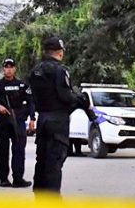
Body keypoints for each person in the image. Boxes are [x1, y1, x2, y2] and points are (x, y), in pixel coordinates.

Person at [29, 37, 94, 195]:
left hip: (43, 119)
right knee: (55, 162)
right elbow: (65, 96)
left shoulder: (36, 71)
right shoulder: (60, 70)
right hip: (57, 121)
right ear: (59, 52)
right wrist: (81, 100)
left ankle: (39, 196)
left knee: (42, 160)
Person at [0, 58, 36, 188]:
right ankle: (3, 179)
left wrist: (32, 119)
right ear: (3, 69)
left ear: (15, 69)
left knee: (19, 150)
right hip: (3, 122)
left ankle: (18, 179)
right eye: (6, 67)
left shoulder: (22, 85)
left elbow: (31, 102)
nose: (8, 69)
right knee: (3, 151)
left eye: (11, 67)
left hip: (18, 121)